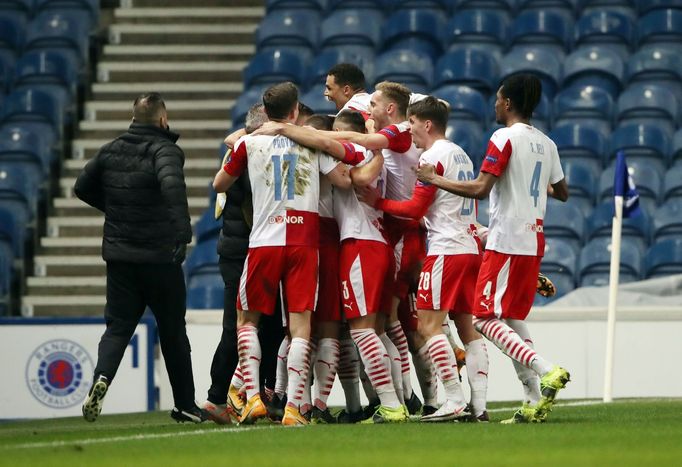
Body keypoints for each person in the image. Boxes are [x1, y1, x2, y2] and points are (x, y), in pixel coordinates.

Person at [416, 73, 571, 424]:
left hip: (506, 238)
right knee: (513, 318)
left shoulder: (503, 137)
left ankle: (546, 369)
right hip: (534, 239)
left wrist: (435, 179)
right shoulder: (547, 143)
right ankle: (533, 398)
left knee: (484, 319)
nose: (495, 105)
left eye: (499, 99)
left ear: (509, 103)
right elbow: (562, 192)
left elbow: (481, 189)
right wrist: (526, 180)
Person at [253, 109, 406, 424]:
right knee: (366, 331)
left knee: (335, 332)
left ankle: (386, 404)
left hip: (347, 243)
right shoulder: (375, 154)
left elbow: (353, 173)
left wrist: (280, 129)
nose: (333, 135)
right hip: (372, 243)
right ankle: (392, 401)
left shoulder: (353, 152)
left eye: (338, 130)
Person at [213, 82, 350, 426]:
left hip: (264, 242)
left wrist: (238, 149)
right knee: (301, 326)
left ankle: (254, 397)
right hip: (304, 242)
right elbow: (345, 180)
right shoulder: (312, 144)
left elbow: (219, 184)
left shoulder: (248, 143)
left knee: (248, 321)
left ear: (265, 110)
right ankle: (294, 408)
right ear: (293, 112)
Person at [75, 92, 203, 423]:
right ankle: (186, 405)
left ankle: (102, 378)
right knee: (173, 330)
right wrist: (182, 232)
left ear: (133, 118)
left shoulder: (111, 149)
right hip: (159, 257)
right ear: (163, 120)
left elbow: (81, 187)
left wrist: (116, 210)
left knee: (117, 328)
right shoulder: (166, 150)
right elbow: (172, 188)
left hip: (120, 258)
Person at [202, 104, 286, 424]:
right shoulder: (249, 154)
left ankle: (229, 396)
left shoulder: (238, 150)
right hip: (247, 249)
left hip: (239, 248)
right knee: (251, 325)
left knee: (248, 325)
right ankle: (227, 396)